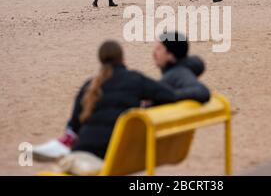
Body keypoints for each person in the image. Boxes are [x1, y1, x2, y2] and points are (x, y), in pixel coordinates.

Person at [33, 34, 210, 165]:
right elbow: (170, 95)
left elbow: (75, 124)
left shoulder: (90, 85)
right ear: (123, 59)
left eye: (158, 49)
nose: (153, 52)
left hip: (93, 151)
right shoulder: (138, 80)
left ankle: (62, 145)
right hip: (124, 155)